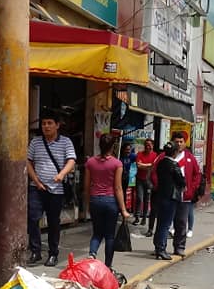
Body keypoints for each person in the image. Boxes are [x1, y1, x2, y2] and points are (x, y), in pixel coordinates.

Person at [26, 109, 77, 266]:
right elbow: (28, 162)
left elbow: (71, 160)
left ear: (57, 125)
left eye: (49, 123)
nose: (46, 126)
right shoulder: (35, 142)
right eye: (43, 124)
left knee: (54, 222)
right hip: (37, 187)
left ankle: (53, 253)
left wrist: (61, 174)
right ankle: (35, 251)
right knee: (33, 218)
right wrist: (36, 180)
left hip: (56, 190)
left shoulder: (65, 142)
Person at [151, 131, 202, 257]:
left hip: (184, 197)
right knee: (163, 222)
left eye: (181, 141)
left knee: (181, 222)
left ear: (185, 143)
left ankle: (179, 247)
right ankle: (159, 247)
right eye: (176, 141)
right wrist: (159, 186)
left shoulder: (190, 158)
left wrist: (192, 188)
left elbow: (197, 174)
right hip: (168, 196)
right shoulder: (163, 157)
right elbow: (153, 173)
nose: (179, 144)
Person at [84, 134, 129, 271]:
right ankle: (108, 265)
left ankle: (92, 254)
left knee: (97, 233)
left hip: (95, 200)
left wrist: (87, 204)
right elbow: (118, 187)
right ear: (113, 146)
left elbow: (86, 185)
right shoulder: (117, 164)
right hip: (110, 202)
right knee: (109, 235)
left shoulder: (90, 162)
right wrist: (123, 209)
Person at [134, 139, 157, 229]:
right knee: (139, 198)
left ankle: (144, 217)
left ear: (152, 145)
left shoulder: (155, 155)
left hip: (149, 180)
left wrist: (144, 165)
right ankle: (137, 216)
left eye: (149, 145)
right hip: (140, 179)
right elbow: (138, 165)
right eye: (146, 145)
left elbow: (154, 166)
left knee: (147, 199)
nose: (148, 146)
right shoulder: (140, 154)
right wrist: (149, 165)